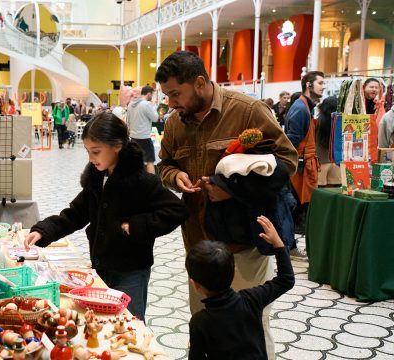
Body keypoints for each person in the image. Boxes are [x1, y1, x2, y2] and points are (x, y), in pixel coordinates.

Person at [155, 51, 297, 359]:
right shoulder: (175, 124)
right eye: (167, 96)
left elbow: (287, 162)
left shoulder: (247, 111)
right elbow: (163, 163)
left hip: (242, 244)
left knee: (250, 326)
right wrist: (175, 175)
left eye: (176, 94)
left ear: (200, 83)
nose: (171, 102)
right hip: (199, 244)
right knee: (207, 324)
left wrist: (233, 190)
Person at [24, 112, 187, 320]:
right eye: (88, 152)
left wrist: (136, 226)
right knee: (103, 322)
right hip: (101, 266)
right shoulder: (98, 178)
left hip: (131, 272)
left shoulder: (141, 182)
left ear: (117, 146)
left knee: (130, 321)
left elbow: (177, 210)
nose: (91, 159)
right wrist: (43, 231)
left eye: (96, 151)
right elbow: (75, 214)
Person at [186, 216, 295, 360]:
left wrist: (197, 342)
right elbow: (286, 280)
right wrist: (278, 244)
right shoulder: (252, 299)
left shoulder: (200, 322)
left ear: (195, 284)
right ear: (233, 271)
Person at [284, 71, 325, 255]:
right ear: (309, 85)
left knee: (295, 209)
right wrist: (293, 166)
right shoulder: (301, 109)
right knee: (294, 209)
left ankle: (289, 247)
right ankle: (289, 247)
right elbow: (291, 142)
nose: (323, 86)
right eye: (320, 83)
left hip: (303, 166)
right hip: (299, 169)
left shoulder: (305, 107)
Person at [126, 85, 158, 174]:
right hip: (144, 138)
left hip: (133, 138)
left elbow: (127, 122)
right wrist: (154, 105)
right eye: (152, 95)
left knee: (135, 162)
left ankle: (134, 184)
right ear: (148, 94)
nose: (152, 97)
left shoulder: (130, 104)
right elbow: (155, 118)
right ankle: (152, 185)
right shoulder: (147, 104)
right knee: (150, 162)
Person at [316, 96, 341, 187]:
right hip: (336, 161)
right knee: (335, 191)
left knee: (320, 192)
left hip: (320, 161)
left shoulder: (317, 122)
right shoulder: (340, 121)